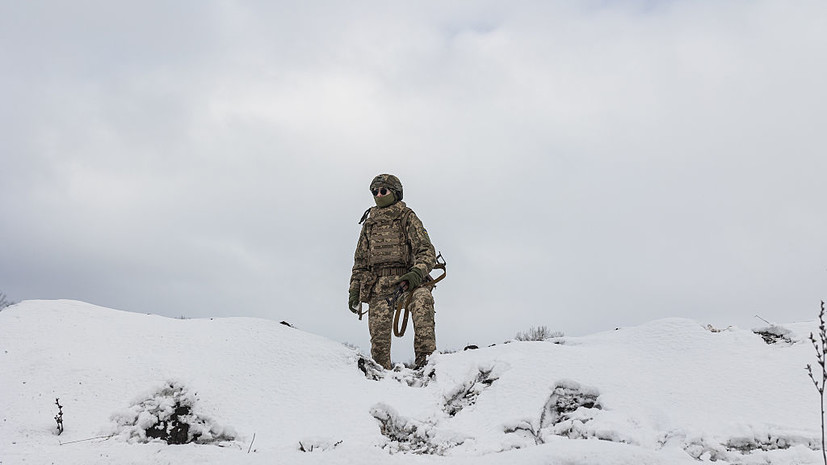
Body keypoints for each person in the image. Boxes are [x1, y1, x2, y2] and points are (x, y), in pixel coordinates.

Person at [348, 174, 437, 370]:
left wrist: (415, 274)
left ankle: (427, 365)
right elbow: (360, 262)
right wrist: (354, 291)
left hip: (407, 284)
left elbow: (426, 251)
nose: (378, 195)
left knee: (423, 300)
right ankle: (382, 381)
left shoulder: (407, 217)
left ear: (395, 193)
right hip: (378, 288)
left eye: (383, 191)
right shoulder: (369, 224)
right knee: (378, 352)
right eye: (375, 192)